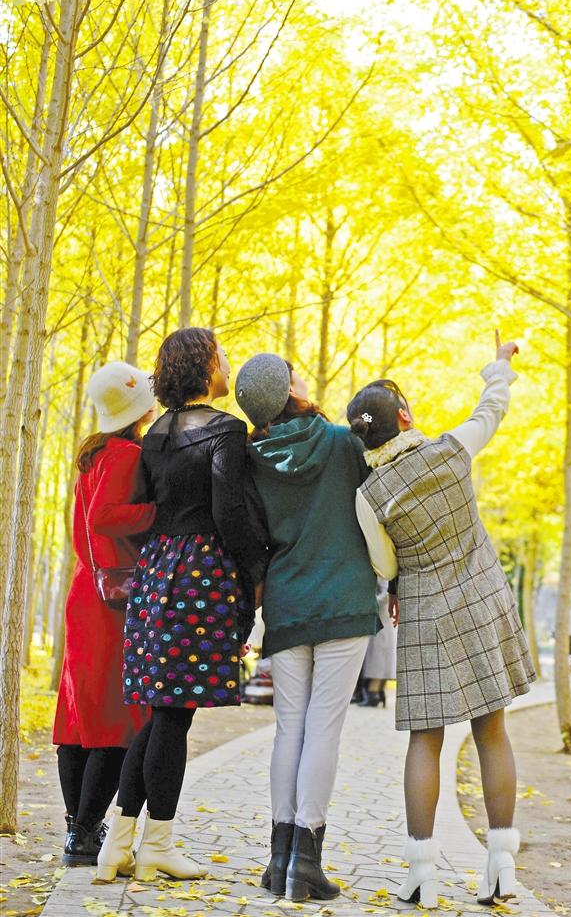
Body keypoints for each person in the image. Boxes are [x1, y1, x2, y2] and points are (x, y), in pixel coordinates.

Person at [347, 332, 536, 909]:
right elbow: (491, 410)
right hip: (483, 601)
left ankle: (422, 875)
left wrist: (404, 575)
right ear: (404, 417)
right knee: (492, 731)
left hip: (425, 612)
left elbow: (385, 565)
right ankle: (501, 867)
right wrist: (498, 367)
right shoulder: (452, 450)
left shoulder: (368, 495)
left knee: (425, 740)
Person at [97, 328, 267, 883]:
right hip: (200, 574)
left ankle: (117, 846)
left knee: (161, 713)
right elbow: (229, 512)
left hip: (156, 572)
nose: (228, 366)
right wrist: (256, 570)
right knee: (174, 716)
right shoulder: (226, 430)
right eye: (222, 357)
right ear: (204, 366)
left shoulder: (157, 433)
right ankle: (157, 847)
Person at [235, 354, 381, 903]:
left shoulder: (250, 458)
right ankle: (307, 861)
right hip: (344, 600)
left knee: (288, 730)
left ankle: (278, 859)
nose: (302, 377)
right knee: (323, 731)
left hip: (287, 602)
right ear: (289, 391)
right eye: (294, 373)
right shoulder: (345, 443)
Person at [52, 361, 157, 865]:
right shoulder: (127, 454)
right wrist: (158, 513)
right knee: (116, 721)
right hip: (111, 601)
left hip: (85, 593)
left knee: (79, 720)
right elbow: (104, 517)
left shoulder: (91, 454)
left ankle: (79, 830)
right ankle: (84, 833)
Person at [357, 579, 397, 707]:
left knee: (378, 659)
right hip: (380, 618)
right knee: (378, 659)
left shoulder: (383, 573)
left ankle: (374, 692)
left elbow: (386, 594)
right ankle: (377, 692)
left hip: (382, 618)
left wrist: (369, 602)